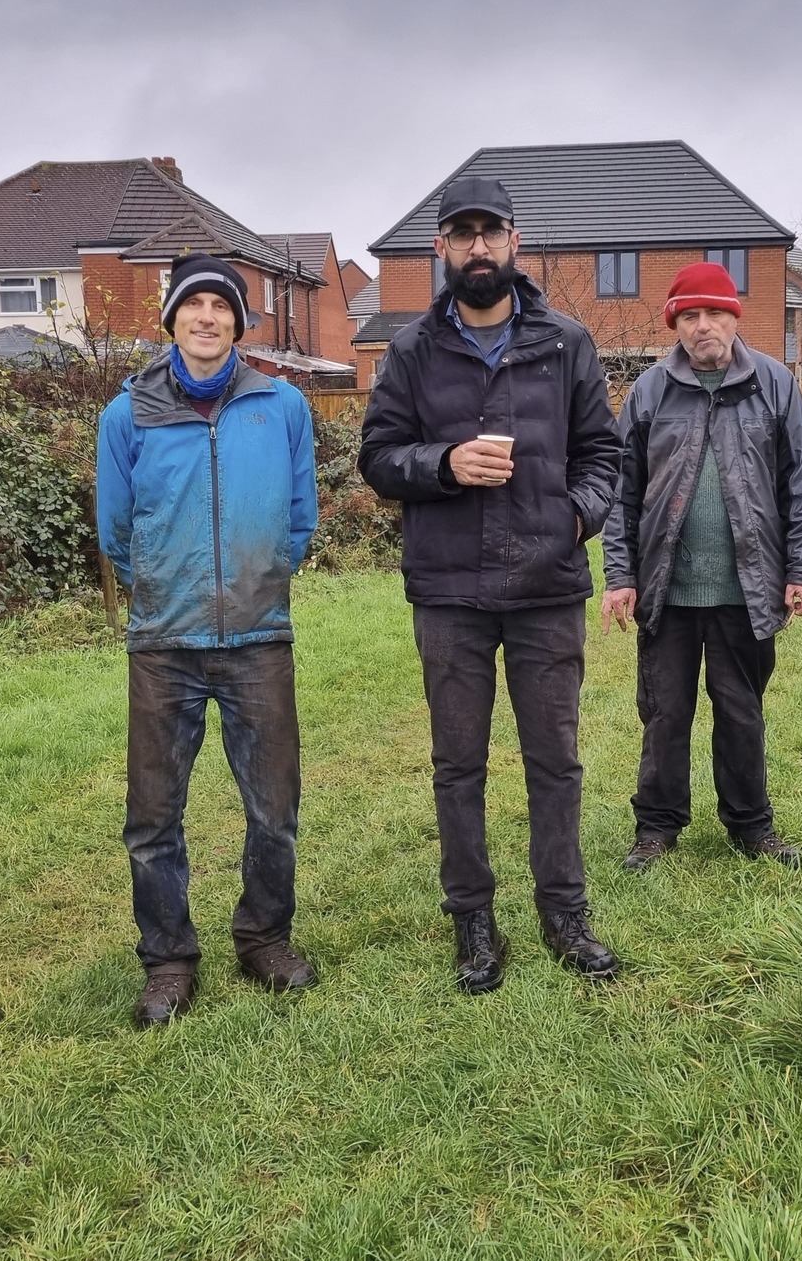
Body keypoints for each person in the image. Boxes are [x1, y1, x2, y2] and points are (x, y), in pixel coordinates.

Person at [357, 176, 622, 994]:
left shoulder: (566, 342)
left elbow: (604, 457)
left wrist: (572, 519)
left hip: (547, 587)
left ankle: (564, 910)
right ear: (441, 247)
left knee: (556, 760)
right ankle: (472, 917)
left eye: (491, 232)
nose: (478, 247)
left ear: (515, 242)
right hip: (448, 591)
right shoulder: (410, 351)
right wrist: (441, 464)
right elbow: (377, 458)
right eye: (462, 233)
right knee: (457, 764)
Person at [97, 254, 319, 1025]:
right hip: (164, 641)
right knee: (154, 814)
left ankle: (264, 938)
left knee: (274, 807)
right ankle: (167, 959)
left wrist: (262, 577)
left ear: (238, 321)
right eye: (192, 305)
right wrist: (162, 579)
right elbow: (116, 528)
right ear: (170, 320)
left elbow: (299, 513)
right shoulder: (126, 414)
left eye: (221, 307)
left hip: (261, 635)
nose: (206, 318)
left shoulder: (283, 406)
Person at [600, 261, 802, 870]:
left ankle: (751, 826)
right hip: (665, 589)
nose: (704, 326)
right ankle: (657, 827)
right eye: (690, 315)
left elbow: (801, 482)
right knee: (664, 714)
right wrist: (620, 577)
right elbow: (620, 492)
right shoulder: (649, 391)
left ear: (735, 316)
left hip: (747, 588)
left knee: (742, 713)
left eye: (715, 313)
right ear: (674, 323)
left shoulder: (775, 385)